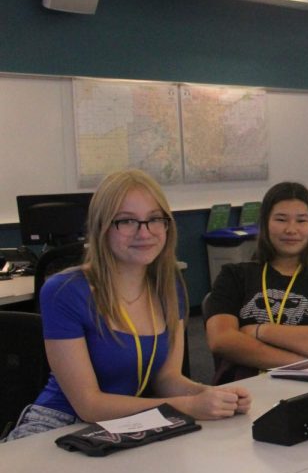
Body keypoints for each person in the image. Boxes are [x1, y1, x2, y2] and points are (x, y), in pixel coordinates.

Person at [6, 170, 251, 440]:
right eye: (126, 221)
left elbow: (165, 378)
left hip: (132, 423)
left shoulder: (168, 287)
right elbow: (89, 405)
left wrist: (208, 394)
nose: (144, 232)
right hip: (61, 425)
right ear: (101, 227)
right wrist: (189, 406)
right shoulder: (65, 291)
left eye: (155, 219)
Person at [205, 182, 308, 384]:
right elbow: (222, 340)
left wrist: (259, 331)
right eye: (281, 219)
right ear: (265, 223)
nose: (291, 229)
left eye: (301, 220)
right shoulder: (235, 276)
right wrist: (301, 365)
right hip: (247, 389)